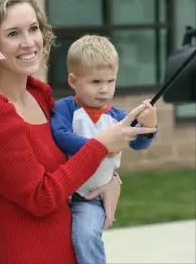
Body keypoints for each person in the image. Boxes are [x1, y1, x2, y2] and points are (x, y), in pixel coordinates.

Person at [0, 0, 157, 264]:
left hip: (70, 251)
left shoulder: (39, 94)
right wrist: (100, 147)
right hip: (27, 254)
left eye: (33, 28)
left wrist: (111, 181)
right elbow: (40, 197)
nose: (29, 43)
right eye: (13, 34)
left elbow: (68, 167)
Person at [50, 35, 158, 264]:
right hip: (62, 193)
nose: (105, 89)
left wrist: (148, 126)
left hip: (91, 196)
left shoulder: (118, 117)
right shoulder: (66, 108)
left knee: (87, 235)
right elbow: (61, 137)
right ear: (73, 81)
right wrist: (100, 146)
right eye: (96, 82)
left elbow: (138, 143)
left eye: (111, 81)